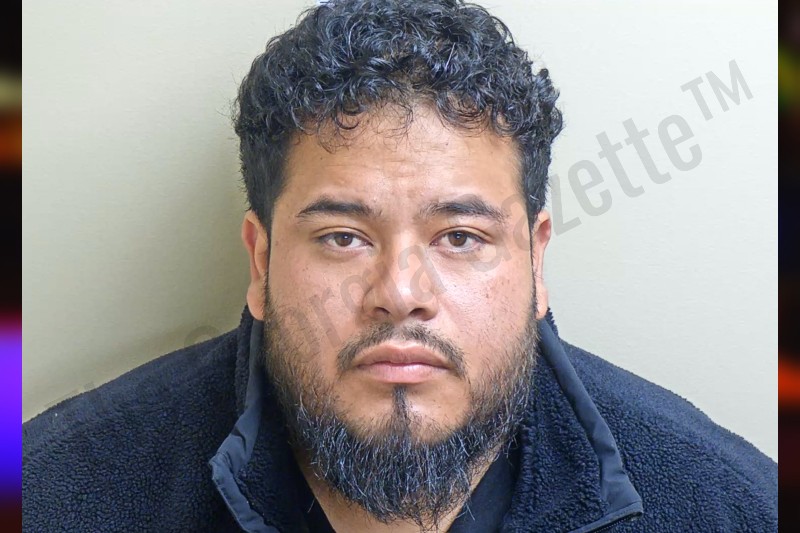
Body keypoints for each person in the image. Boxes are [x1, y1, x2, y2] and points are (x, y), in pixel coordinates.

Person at [22, 0, 777, 531]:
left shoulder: (733, 508)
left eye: (461, 237)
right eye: (342, 237)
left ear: (536, 259)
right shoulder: (54, 496)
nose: (401, 294)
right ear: (261, 260)